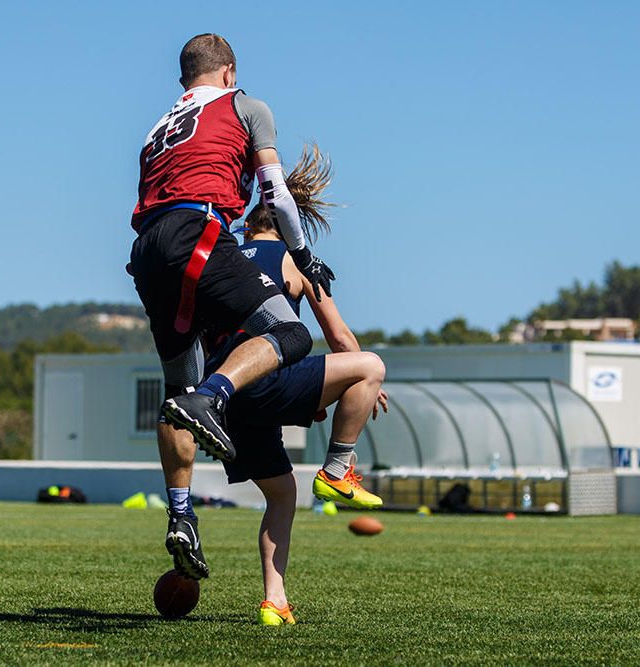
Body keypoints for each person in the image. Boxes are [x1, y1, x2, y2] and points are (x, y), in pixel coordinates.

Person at [128, 33, 334, 580]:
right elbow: (273, 189)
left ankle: (179, 512)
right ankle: (215, 398)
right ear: (229, 71)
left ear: (183, 81)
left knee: (177, 390)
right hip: (198, 231)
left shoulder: (156, 132)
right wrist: (303, 255)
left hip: (147, 250)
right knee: (290, 336)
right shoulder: (245, 104)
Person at [205, 145, 387, 625]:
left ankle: (275, 602)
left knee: (283, 493)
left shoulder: (222, 265)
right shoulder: (295, 259)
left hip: (224, 399)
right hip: (267, 380)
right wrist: (362, 380)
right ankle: (336, 470)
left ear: (245, 225)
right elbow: (339, 337)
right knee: (370, 365)